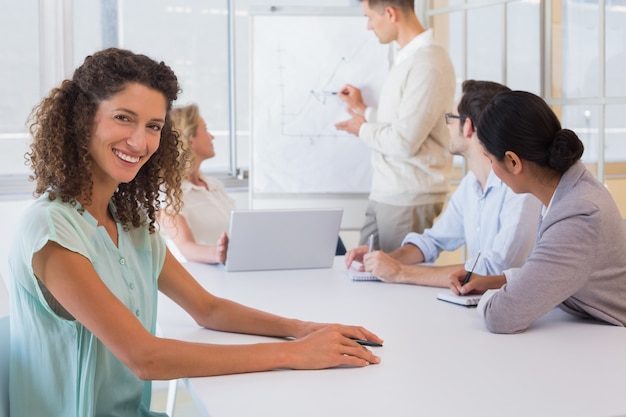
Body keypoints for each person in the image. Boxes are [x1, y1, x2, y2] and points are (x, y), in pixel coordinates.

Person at [8, 48, 382, 417]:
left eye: (153, 126)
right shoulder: (50, 229)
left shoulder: (132, 223)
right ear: (82, 119)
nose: (140, 143)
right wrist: (293, 354)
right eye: (124, 118)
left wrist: (303, 329)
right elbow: (145, 358)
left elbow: (207, 308)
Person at [449, 90, 626, 333]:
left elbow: (501, 317)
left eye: (490, 160)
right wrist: (499, 282)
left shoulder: (578, 214)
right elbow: (560, 268)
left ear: (513, 161)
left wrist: (493, 297)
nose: (492, 169)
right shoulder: (571, 186)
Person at [345, 80, 542, 286]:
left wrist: (400, 272)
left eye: (451, 117)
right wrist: (384, 260)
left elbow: (495, 269)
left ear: (467, 127)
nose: (447, 125)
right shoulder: (471, 185)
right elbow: (433, 241)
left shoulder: (520, 189)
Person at [335, 0, 456, 252]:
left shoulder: (428, 63)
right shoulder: (407, 58)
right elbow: (402, 122)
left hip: (409, 196)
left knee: (395, 284)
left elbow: (404, 141)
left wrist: (363, 128)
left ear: (390, 13)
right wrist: (364, 109)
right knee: (361, 272)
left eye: (369, 17)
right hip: (388, 192)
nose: (369, 27)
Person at [159, 103, 233, 264]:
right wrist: (219, 254)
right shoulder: (168, 193)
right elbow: (186, 247)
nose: (211, 137)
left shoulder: (214, 186)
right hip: (200, 278)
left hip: (230, 273)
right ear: (190, 139)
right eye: (205, 130)